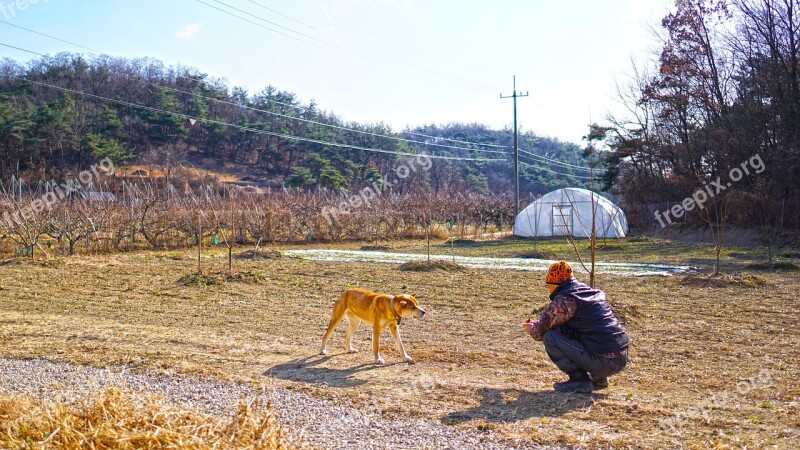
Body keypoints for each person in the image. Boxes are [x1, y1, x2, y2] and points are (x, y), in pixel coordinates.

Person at [523, 260, 629, 393]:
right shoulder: (590, 293)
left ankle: (579, 381)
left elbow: (540, 332)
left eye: (549, 285)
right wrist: (539, 322)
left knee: (550, 337)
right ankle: (599, 378)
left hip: (603, 361)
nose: (549, 289)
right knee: (575, 330)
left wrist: (531, 328)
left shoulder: (565, 300)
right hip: (621, 357)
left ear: (555, 283)